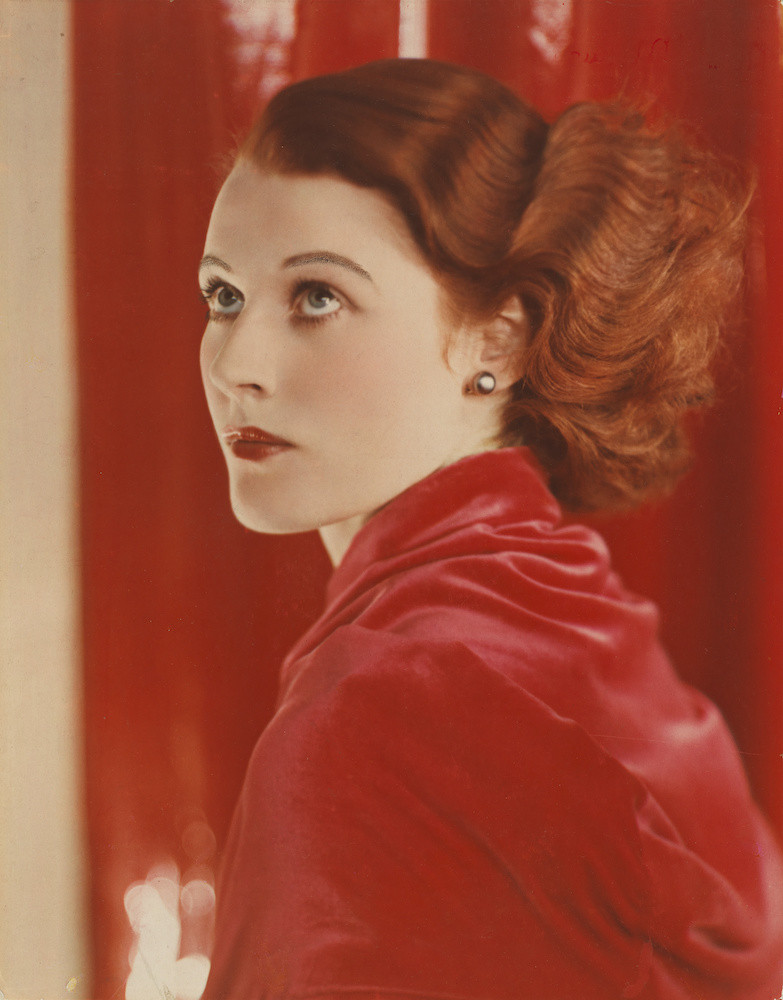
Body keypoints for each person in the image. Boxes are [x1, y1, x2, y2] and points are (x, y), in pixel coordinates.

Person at [197, 59, 783, 1000]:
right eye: (223, 295)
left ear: (498, 342)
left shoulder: (365, 721)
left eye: (317, 297)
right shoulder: (573, 611)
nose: (236, 364)